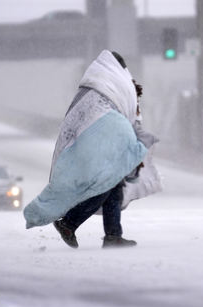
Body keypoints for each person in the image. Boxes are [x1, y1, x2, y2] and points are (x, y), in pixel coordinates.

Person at [23, 50, 159, 249]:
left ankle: (113, 235)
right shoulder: (116, 82)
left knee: (113, 184)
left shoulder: (91, 86)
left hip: (89, 140)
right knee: (105, 184)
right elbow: (128, 108)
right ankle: (69, 223)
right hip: (100, 140)